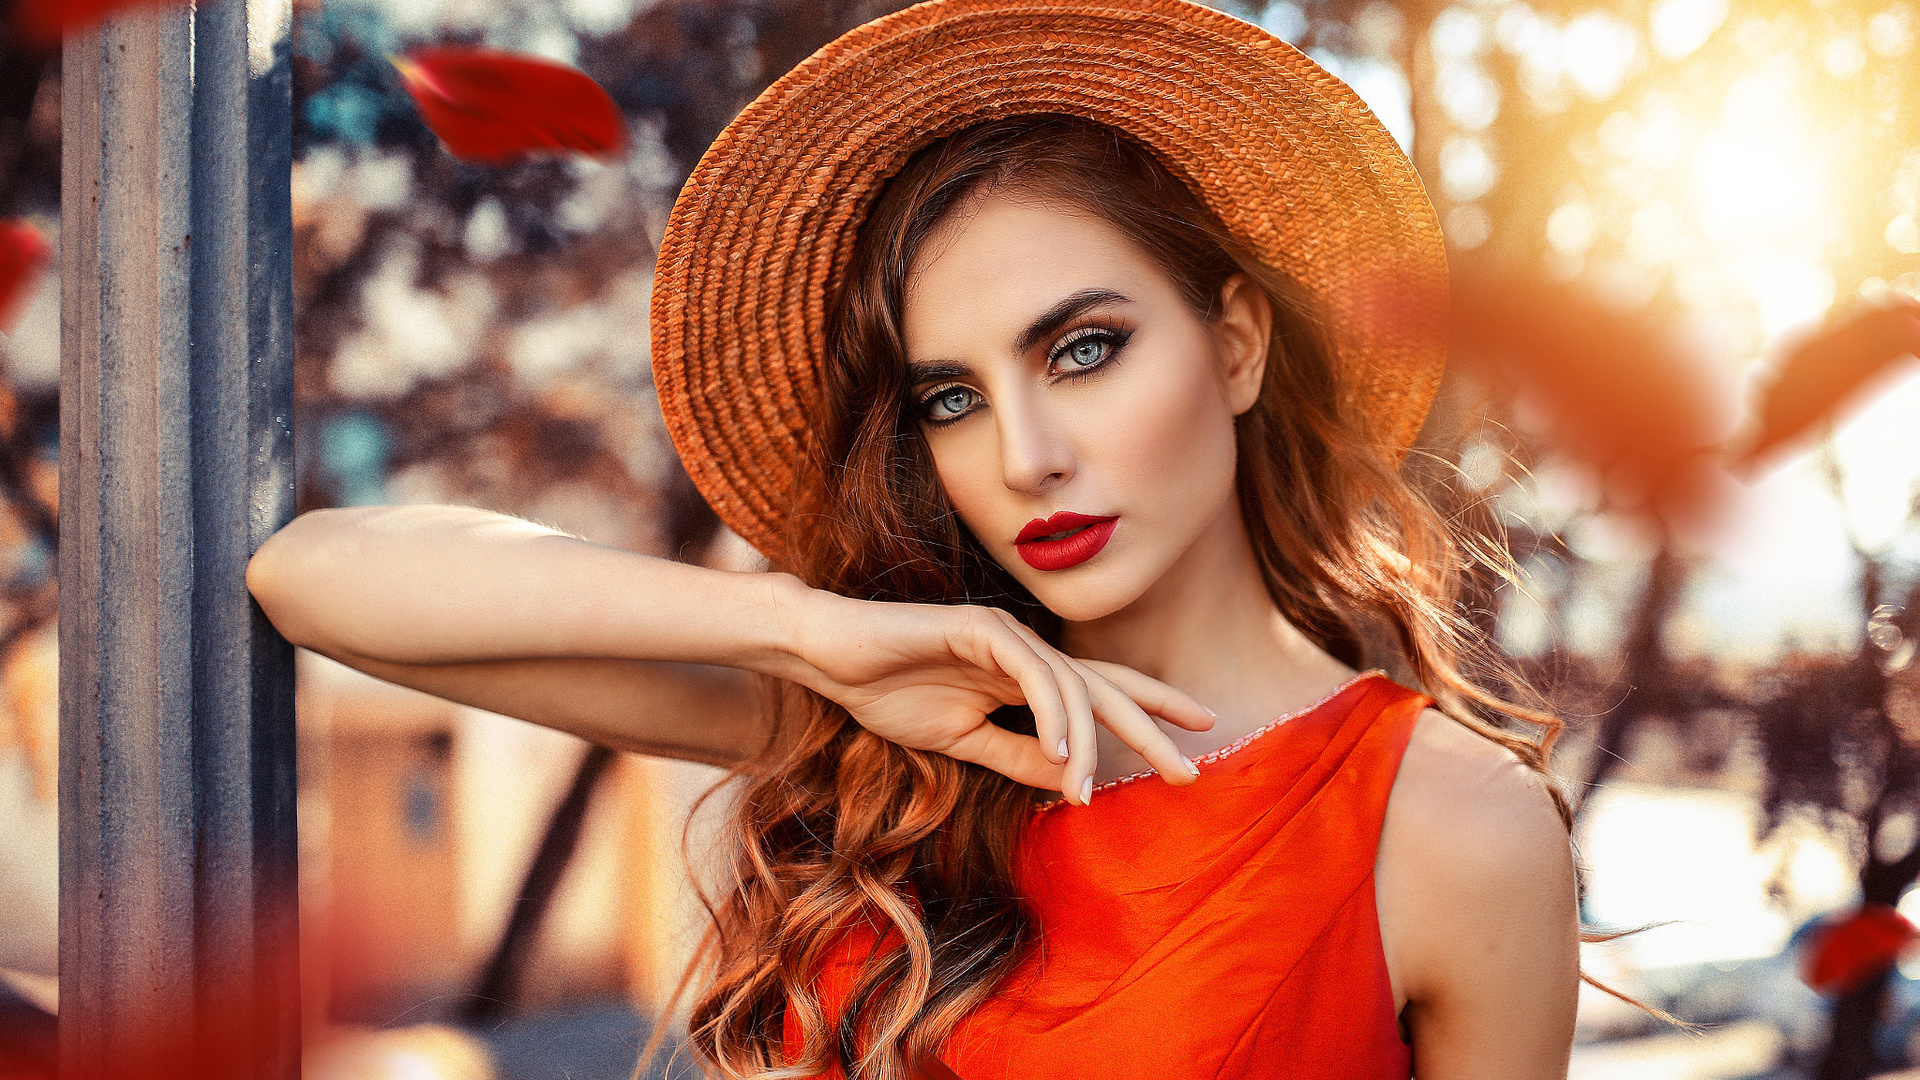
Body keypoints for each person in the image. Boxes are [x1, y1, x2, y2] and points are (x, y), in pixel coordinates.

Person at [248, 1, 1594, 1077]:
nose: (1024, 456)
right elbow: (312, 580)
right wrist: (799, 627)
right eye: (951, 396)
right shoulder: (886, 721)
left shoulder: (1449, 823)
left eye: (1083, 350)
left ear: (1235, 343)